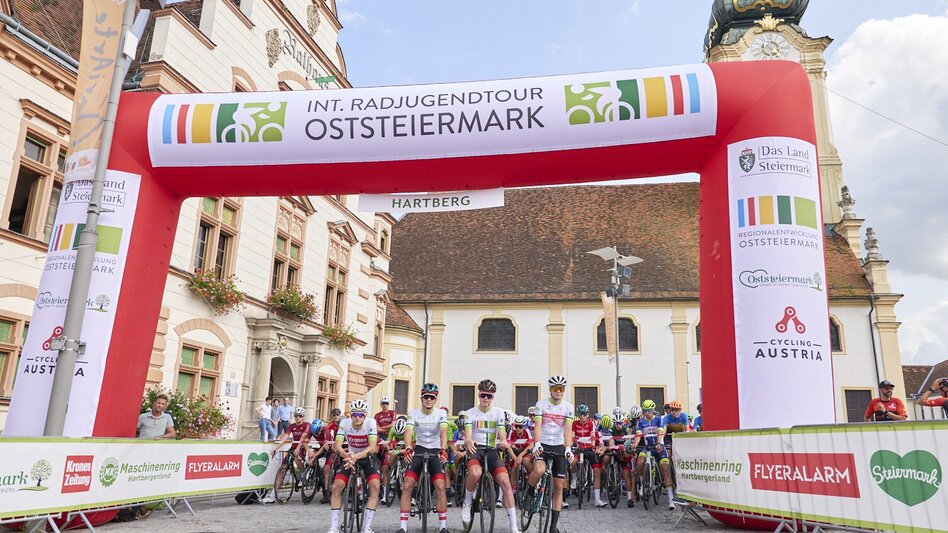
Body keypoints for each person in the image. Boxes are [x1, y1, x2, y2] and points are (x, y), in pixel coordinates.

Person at [461, 379, 521, 533]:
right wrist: (468, 440)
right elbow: (468, 435)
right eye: (483, 395)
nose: (486, 399)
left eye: (489, 396)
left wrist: (503, 442)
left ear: (493, 397)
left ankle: (513, 526)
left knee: (506, 482)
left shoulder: (499, 413)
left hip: (492, 451)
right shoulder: (470, 414)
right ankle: (467, 502)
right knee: (475, 473)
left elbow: (502, 432)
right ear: (478, 394)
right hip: (476, 449)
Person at [397, 383, 450, 533]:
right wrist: (408, 448)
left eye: (432, 397)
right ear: (421, 397)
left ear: (435, 399)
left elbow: (444, 433)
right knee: (407, 485)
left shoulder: (441, 414)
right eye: (426, 397)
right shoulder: (413, 413)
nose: (428, 399)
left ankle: (443, 527)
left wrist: (443, 449)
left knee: (440, 487)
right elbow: (408, 431)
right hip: (419, 449)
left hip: (435, 450)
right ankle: (403, 527)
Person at [526, 375, 575, 533]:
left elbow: (568, 430)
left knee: (559, 487)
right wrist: (537, 443)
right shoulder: (541, 404)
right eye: (555, 388)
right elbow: (538, 425)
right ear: (550, 389)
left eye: (561, 388)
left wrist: (568, 448)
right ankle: (529, 490)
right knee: (539, 470)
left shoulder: (568, 407)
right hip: (544, 443)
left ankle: (553, 526)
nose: (559, 391)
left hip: (559, 445)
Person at [328, 399, 380, 533]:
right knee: (336, 487)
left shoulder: (370, 422)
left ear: (365, 415)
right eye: (355, 414)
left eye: (361, 415)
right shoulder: (344, 423)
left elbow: (373, 446)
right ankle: (334, 527)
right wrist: (347, 456)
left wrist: (356, 457)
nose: (357, 418)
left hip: (366, 456)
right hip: (350, 456)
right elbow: (337, 445)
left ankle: (367, 527)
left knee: (375, 486)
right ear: (350, 415)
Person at [631, 399, 675, 510]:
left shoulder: (659, 420)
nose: (647, 413)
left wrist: (659, 443)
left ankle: (671, 500)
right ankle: (642, 484)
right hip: (647, 447)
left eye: (649, 410)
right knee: (640, 462)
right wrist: (635, 444)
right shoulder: (640, 422)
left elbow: (660, 432)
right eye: (645, 411)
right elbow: (638, 434)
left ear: (653, 410)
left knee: (665, 468)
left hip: (659, 446)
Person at [269, 406, 313, 502]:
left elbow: (303, 437)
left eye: (300, 416)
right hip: (293, 447)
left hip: (303, 446)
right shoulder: (291, 426)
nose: (298, 418)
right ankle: (272, 495)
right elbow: (285, 437)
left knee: (297, 458)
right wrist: (276, 448)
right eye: (296, 416)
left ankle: (302, 475)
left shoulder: (307, 425)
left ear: (303, 417)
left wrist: (298, 448)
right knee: (282, 469)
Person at [571, 404, 606, 507]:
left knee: (596, 471)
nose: (582, 416)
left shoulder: (591, 423)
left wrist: (593, 446)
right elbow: (572, 436)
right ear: (578, 415)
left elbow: (592, 436)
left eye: (584, 414)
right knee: (572, 462)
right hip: (578, 449)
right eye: (580, 414)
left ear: (587, 415)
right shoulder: (574, 423)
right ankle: (574, 479)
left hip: (589, 448)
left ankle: (597, 499)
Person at [506, 415, 534, 495]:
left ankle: (531, 477)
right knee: (514, 468)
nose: (518, 428)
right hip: (515, 452)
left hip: (525, 452)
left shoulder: (527, 431)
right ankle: (513, 489)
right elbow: (508, 446)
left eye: (520, 426)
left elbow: (531, 445)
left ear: (524, 426)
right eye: (516, 426)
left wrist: (521, 455)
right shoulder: (512, 432)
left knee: (526, 461)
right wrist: (515, 457)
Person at [320, 407, 343, 503]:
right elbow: (327, 431)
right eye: (334, 415)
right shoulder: (331, 424)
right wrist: (326, 442)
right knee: (326, 469)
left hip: (344, 447)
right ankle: (326, 493)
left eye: (337, 415)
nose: (335, 416)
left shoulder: (344, 423)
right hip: (335, 448)